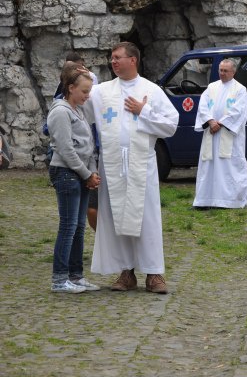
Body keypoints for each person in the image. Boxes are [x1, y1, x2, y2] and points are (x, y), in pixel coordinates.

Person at [82, 42, 179, 294]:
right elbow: (80, 105)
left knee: (146, 217)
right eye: (111, 58)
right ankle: (126, 272)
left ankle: (154, 273)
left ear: (133, 60)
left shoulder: (151, 90)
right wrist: (77, 76)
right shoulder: (102, 91)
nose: (112, 62)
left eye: (117, 57)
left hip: (141, 164)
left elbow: (170, 125)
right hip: (112, 164)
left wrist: (143, 110)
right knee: (117, 217)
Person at [47, 62, 101, 293]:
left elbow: (87, 145)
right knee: (68, 226)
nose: (88, 96)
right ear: (70, 88)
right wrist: (86, 173)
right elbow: (65, 148)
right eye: (84, 91)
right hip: (66, 173)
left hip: (79, 173)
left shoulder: (77, 110)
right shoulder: (60, 111)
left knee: (79, 227)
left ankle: (76, 275)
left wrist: (92, 171)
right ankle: (59, 279)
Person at [193, 59, 247, 209]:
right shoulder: (211, 87)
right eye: (220, 70)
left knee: (229, 166)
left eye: (225, 71)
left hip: (228, 135)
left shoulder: (239, 89)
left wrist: (221, 123)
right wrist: (211, 121)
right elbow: (203, 107)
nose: (222, 73)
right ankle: (205, 200)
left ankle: (231, 200)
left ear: (233, 72)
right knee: (208, 165)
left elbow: (239, 111)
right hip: (211, 133)